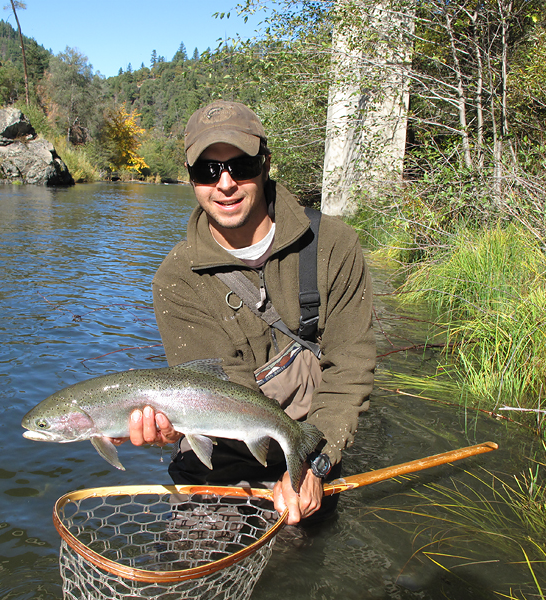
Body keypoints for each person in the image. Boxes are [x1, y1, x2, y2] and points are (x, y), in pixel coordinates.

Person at [116, 100, 375, 525]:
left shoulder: (332, 245)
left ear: (265, 162)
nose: (225, 184)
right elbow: (217, 383)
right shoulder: (176, 279)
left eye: (240, 165)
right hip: (221, 447)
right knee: (193, 566)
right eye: (207, 171)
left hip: (311, 439)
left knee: (302, 561)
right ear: (191, 179)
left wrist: (316, 464)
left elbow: (349, 368)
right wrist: (172, 427)